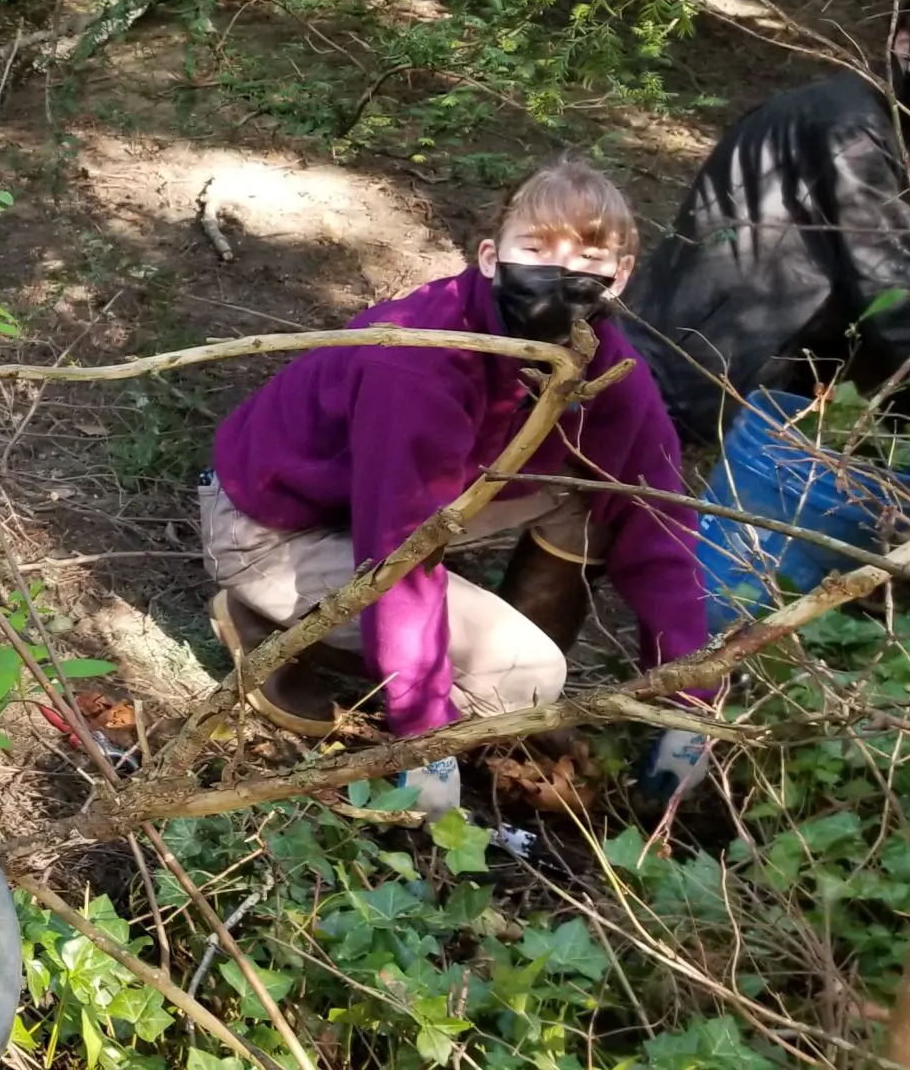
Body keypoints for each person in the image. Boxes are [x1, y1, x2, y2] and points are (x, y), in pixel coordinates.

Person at [201, 154, 716, 811]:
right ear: (489, 259)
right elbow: (401, 547)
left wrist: (686, 699)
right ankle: (274, 623)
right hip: (270, 526)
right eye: (536, 247)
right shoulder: (421, 359)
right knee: (530, 679)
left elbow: (659, 522)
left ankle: (484, 675)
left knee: (591, 498)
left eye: (588, 257)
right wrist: (425, 739)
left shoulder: (610, 373)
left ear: (621, 276)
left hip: (367, 507)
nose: (562, 274)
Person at [627, 1, 910, 444]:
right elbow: (895, 292)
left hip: (748, 364)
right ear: (902, 39)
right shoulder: (848, 126)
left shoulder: (900, 125)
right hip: (697, 374)